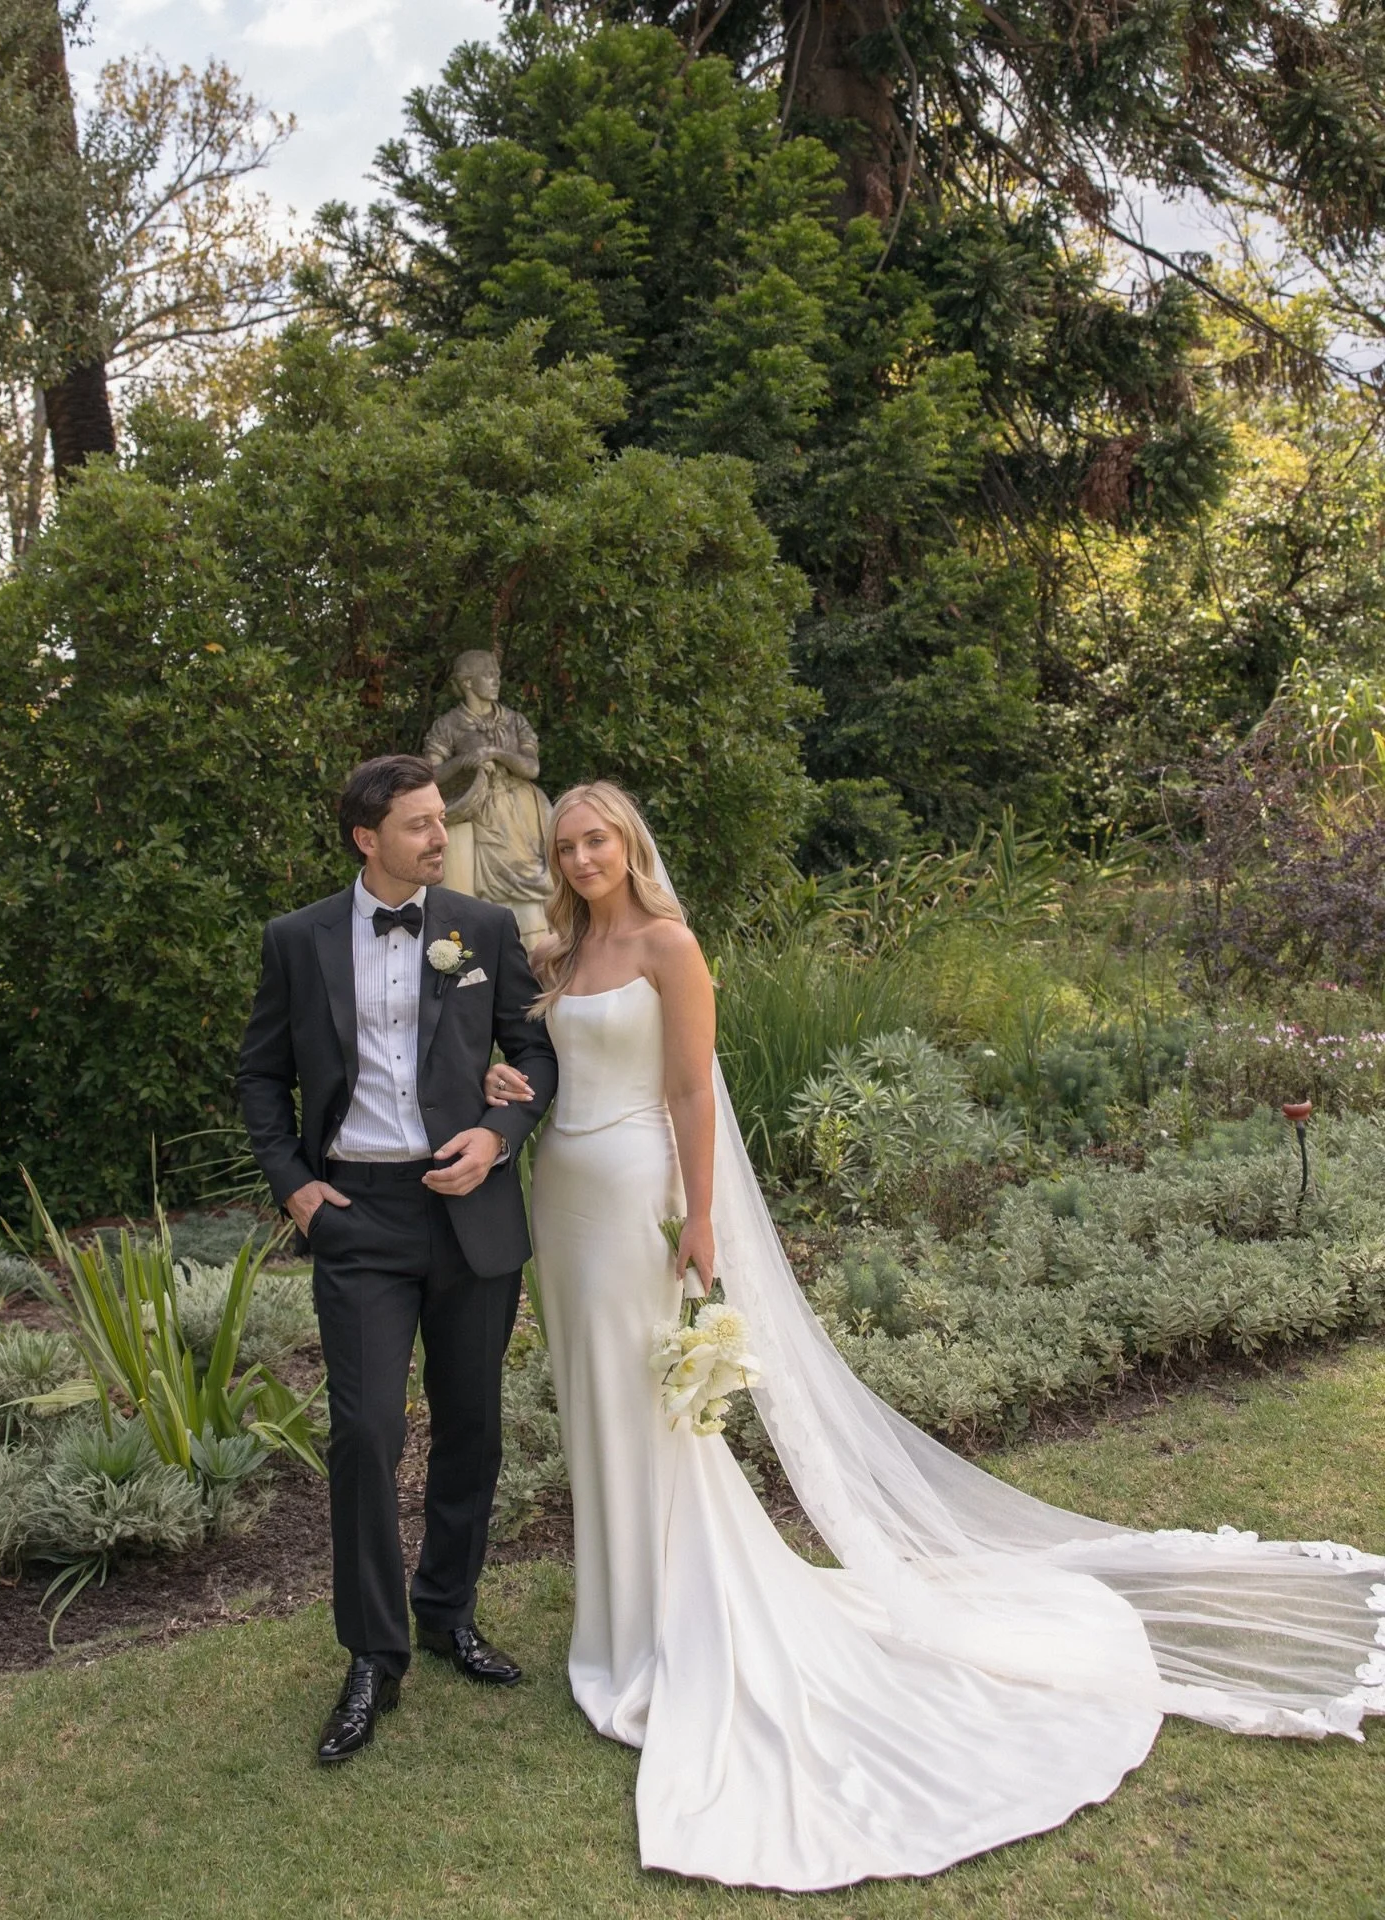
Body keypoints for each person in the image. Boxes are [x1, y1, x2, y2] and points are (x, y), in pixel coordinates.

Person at [485, 778, 1385, 1892]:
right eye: (566, 845)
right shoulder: (557, 960)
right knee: (596, 1398)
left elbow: (689, 1095)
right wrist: (502, 1076)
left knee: (655, 1406)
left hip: (633, 1193)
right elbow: (542, 1069)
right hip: (561, 1192)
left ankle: (670, 1620)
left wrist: (702, 1213)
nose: (580, 859)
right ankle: (615, 1617)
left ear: (628, 845)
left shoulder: (671, 945)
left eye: (596, 840)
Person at [237, 754, 557, 1765]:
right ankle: (373, 1654)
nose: (437, 837)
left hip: (471, 1212)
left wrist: (500, 1136)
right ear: (365, 839)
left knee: (472, 1425)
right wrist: (295, 1186)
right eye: (418, 824)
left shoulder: (483, 929)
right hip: (358, 1218)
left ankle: (447, 1612)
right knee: (366, 1432)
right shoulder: (296, 941)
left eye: (439, 821)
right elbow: (260, 1075)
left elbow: (534, 1053)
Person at [424, 650, 553, 949]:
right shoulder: (449, 725)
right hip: (475, 811)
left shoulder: (514, 720)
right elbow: (429, 774)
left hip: (521, 815)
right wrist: (463, 762)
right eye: (488, 673)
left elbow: (532, 768)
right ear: (467, 682)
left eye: (496, 673)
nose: (496, 680)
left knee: (531, 895)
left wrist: (495, 753)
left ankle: (538, 961)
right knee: (476, 897)